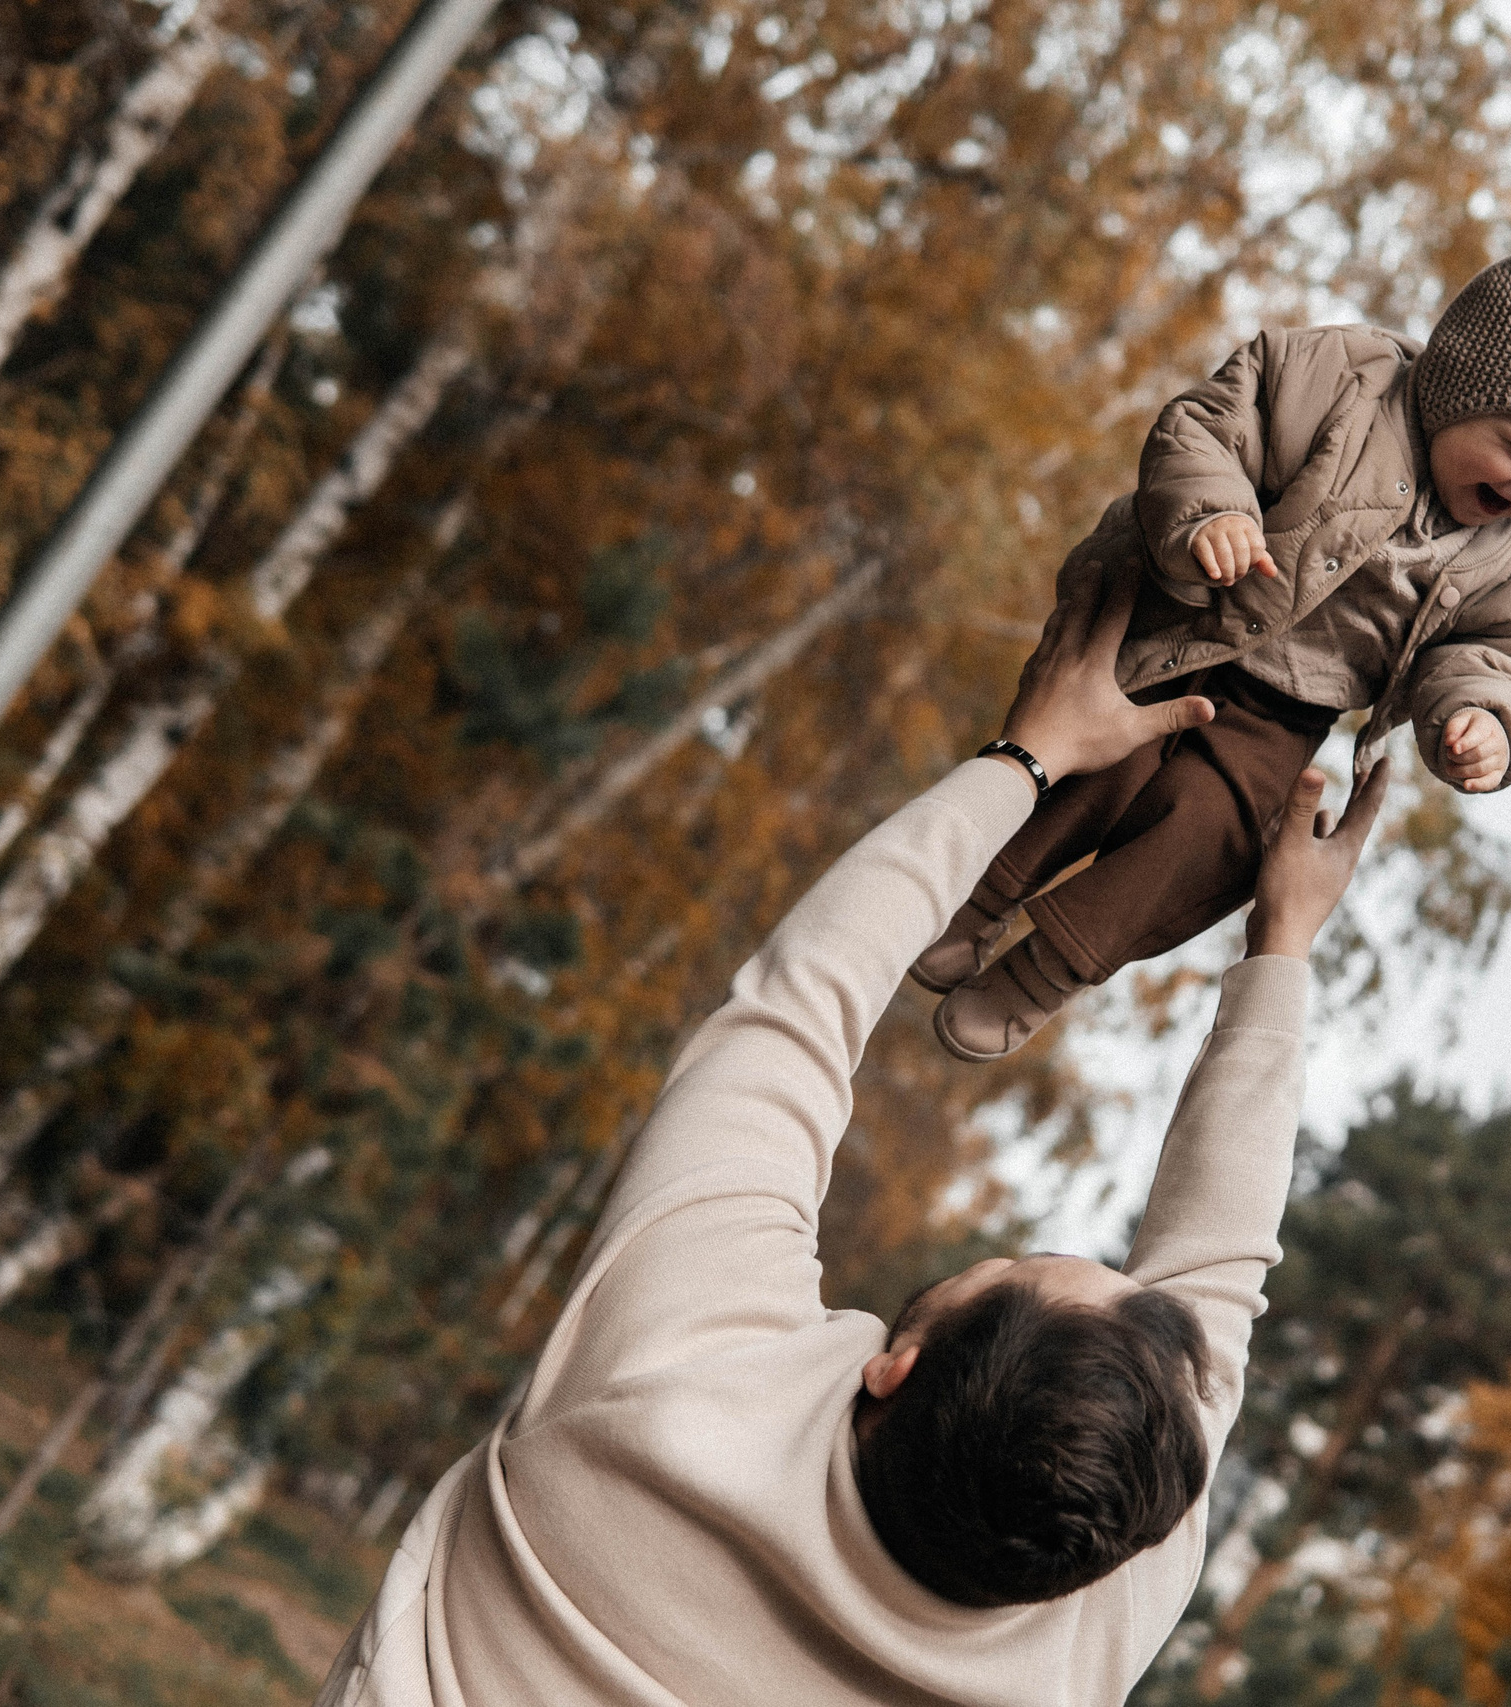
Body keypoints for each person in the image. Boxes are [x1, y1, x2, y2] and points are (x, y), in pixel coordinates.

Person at [314, 572, 1392, 1707]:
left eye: (1010, 1268)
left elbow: (798, 1004)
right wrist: (1283, 948)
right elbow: (1217, 1282)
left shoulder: (674, 1378)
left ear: (897, 1369)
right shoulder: (1083, 1630)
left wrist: (1026, 763)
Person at [918, 191, 1511, 1061]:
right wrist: (1214, 513)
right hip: (1187, 617)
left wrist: (1487, 716)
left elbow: (1510, 650)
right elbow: (1210, 425)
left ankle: (1048, 968)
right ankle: (976, 897)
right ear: (1459, 385)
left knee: (1210, 840)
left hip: (1288, 714)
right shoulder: (1343, 382)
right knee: (1095, 766)